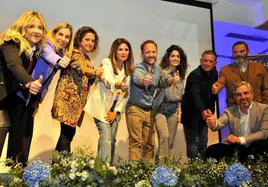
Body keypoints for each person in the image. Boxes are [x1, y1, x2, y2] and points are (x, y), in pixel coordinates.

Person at [0, 11, 47, 165]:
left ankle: (14, 176)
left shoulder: (34, 52)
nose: (36, 30)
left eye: (40, 28)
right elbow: (13, 64)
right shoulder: (11, 42)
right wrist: (29, 83)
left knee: (17, 139)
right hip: (2, 99)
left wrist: (35, 99)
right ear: (22, 27)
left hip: (14, 101)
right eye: (31, 26)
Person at [51, 26, 103, 153]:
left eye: (92, 41)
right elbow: (81, 68)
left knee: (68, 134)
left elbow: (88, 80)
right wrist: (95, 72)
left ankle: (58, 166)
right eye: (87, 39)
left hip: (77, 104)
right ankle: (61, 167)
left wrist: (96, 75)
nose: (90, 43)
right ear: (79, 40)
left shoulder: (88, 59)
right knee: (66, 135)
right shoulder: (73, 53)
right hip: (66, 101)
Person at [84, 38, 134, 164]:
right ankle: (104, 170)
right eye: (120, 49)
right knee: (105, 138)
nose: (123, 52)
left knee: (111, 140)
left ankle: (102, 168)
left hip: (115, 111)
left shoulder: (128, 70)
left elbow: (126, 95)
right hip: (101, 108)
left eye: (126, 50)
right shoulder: (107, 62)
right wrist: (117, 84)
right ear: (114, 51)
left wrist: (116, 112)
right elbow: (107, 79)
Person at [206, 81, 268, 162]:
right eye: (238, 95)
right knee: (211, 150)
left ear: (252, 94)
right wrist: (214, 123)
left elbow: (263, 133)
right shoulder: (230, 111)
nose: (243, 97)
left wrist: (239, 139)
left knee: (259, 144)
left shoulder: (264, 109)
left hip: (256, 145)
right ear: (235, 98)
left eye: (246, 93)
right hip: (239, 147)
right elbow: (220, 122)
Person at [126, 40, 162, 162]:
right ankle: (134, 175)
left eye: (153, 52)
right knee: (136, 142)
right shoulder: (138, 67)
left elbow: (161, 83)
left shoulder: (158, 69)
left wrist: (170, 80)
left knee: (149, 144)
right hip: (135, 109)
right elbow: (137, 78)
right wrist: (144, 80)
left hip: (150, 111)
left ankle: (146, 174)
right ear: (142, 54)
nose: (151, 54)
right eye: (148, 52)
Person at [153, 45, 188, 161]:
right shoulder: (161, 72)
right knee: (164, 136)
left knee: (170, 141)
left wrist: (179, 111)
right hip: (160, 109)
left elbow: (179, 96)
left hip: (173, 110)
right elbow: (162, 83)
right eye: (173, 56)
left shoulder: (181, 76)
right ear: (168, 58)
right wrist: (172, 80)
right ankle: (161, 167)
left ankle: (167, 167)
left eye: (178, 56)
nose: (175, 58)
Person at [181, 50, 218, 159]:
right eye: (205, 60)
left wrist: (211, 111)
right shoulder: (194, 75)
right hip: (191, 114)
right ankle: (194, 171)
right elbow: (195, 96)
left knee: (203, 142)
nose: (207, 63)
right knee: (193, 143)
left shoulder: (214, 74)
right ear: (201, 61)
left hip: (204, 114)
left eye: (210, 61)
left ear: (214, 63)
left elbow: (213, 94)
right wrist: (203, 110)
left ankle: (202, 169)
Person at [212, 41, 268, 107]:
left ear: (247, 52)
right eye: (235, 52)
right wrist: (217, 87)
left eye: (241, 51)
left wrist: (265, 106)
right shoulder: (225, 70)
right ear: (232, 53)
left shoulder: (259, 67)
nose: (238, 54)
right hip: (235, 112)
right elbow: (220, 82)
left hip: (257, 109)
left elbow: (266, 88)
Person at [31, 22, 73, 102]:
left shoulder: (61, 53)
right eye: (60, 34)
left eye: (67, 37)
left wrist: (40, 97)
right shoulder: (46, 44)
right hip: (26, 88)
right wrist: (58, 60)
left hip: (37, 94)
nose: (63, 39)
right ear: (54, 34)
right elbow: (49, 54)